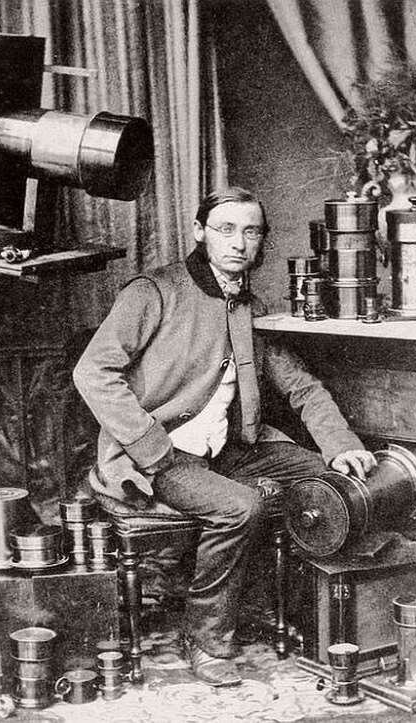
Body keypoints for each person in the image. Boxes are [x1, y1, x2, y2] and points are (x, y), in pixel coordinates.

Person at [72, 186, 375, 687]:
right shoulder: (153, 292)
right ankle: (207, 640)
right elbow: (93, 372)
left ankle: (328, 622)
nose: (239, 242)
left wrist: (342, 445)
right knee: (241, 507)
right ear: (199, 233)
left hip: (232, 449)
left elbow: (299, 384)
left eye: (251, 231)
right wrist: (151, 448)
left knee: (330, 478)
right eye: (226, 229)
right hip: (159, 455)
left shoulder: (246, 305)